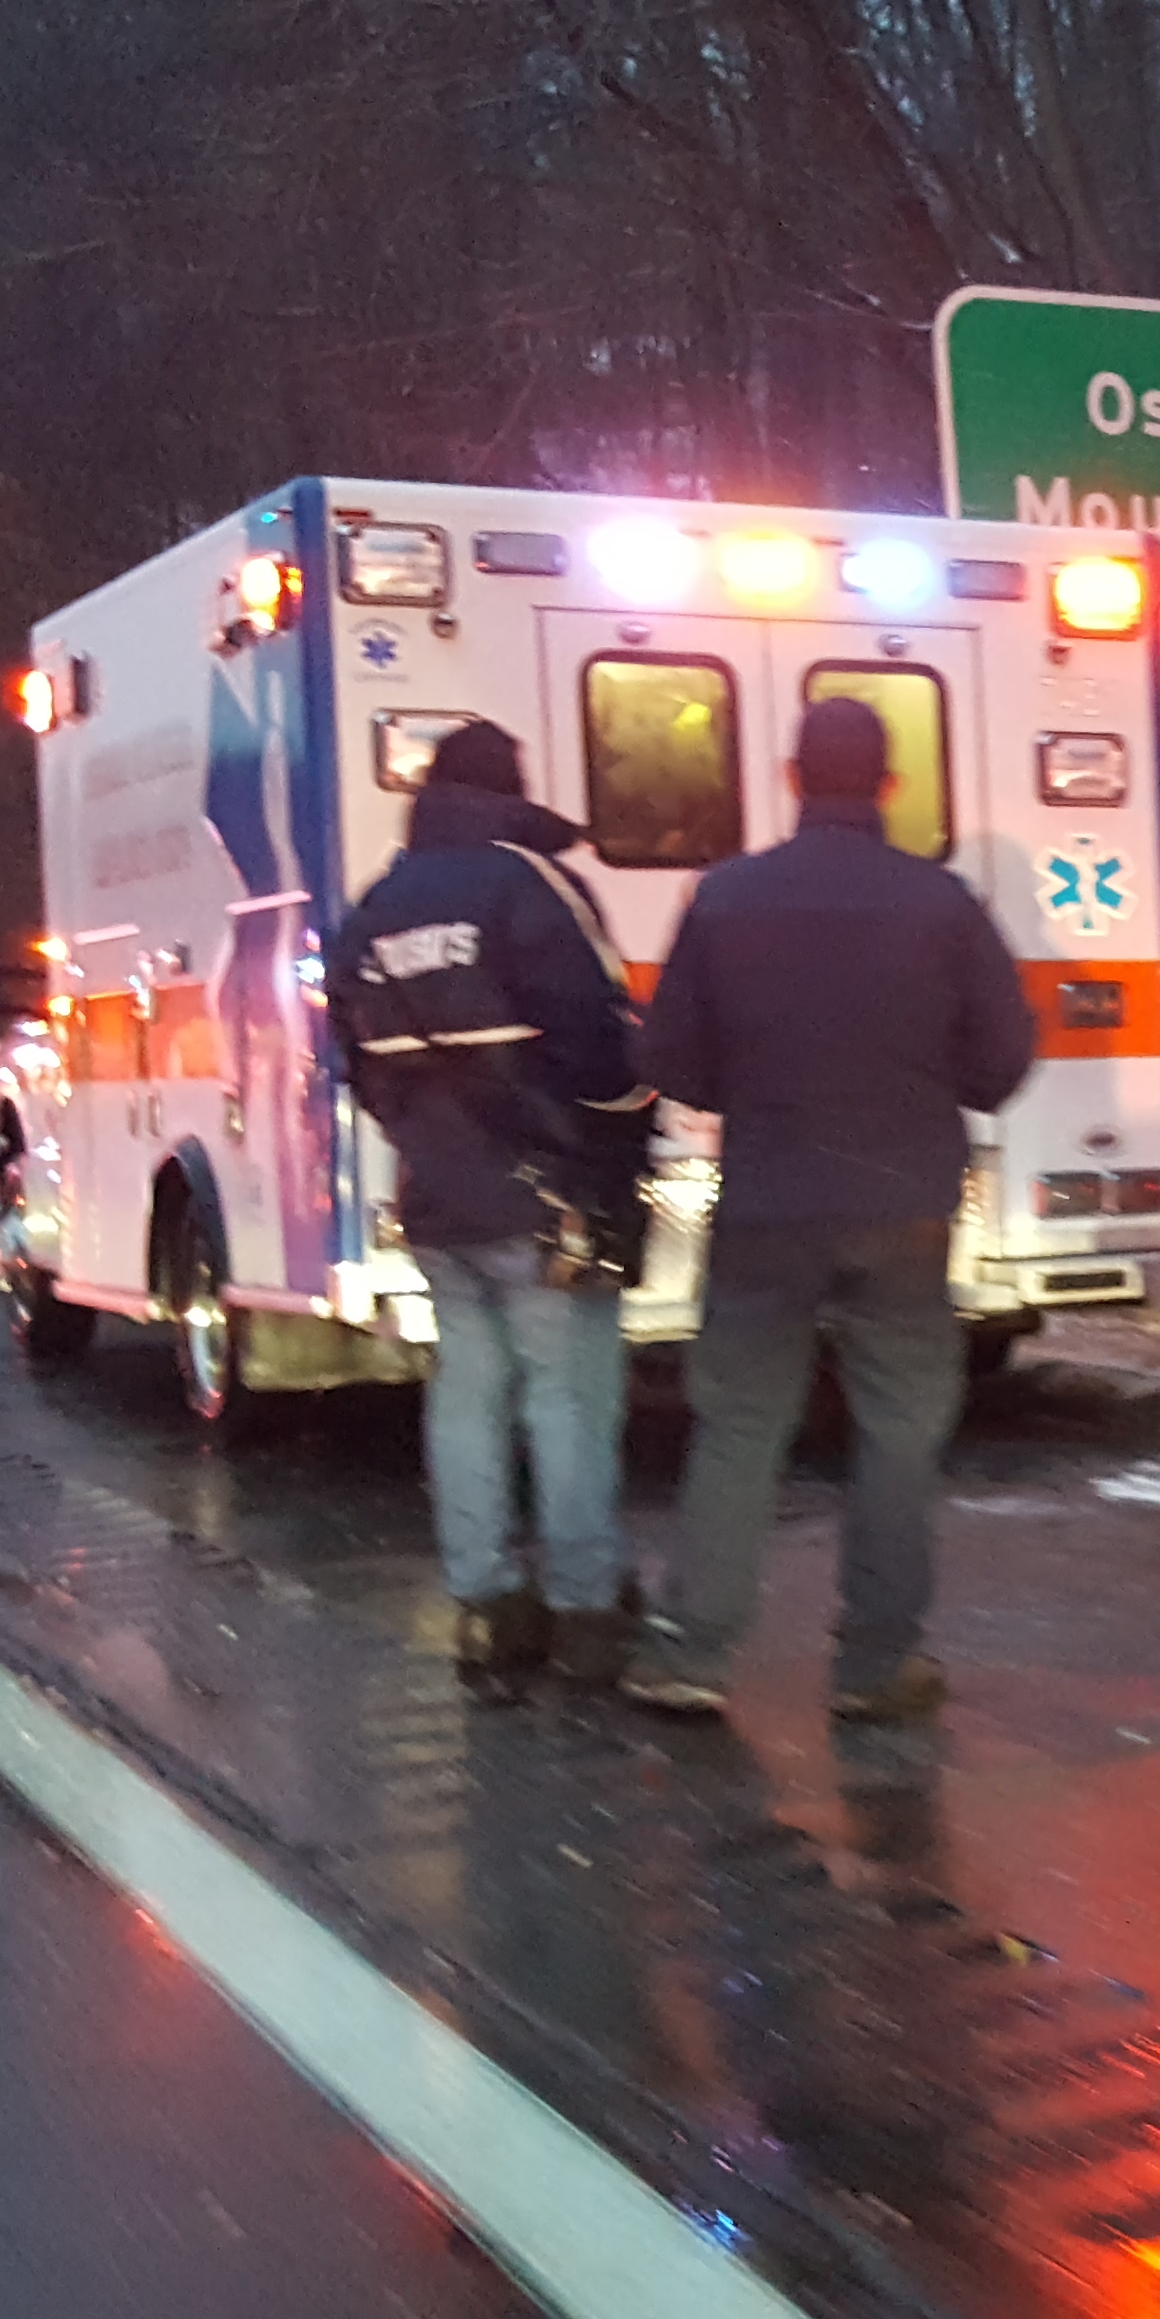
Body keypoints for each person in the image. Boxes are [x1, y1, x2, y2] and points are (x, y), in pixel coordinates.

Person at [620, 693, 1038, 1722]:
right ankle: (874, 1662)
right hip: (903, 1208)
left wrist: (752, 1087)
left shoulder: (724, 897)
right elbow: (1001, 1061)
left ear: (791, 778)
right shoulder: (942, 905)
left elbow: (668, 1058)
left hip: (768, 1204)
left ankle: (693, 1650)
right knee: (896, 1433)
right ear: (888, 787)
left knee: (739, 1425)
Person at [336, 722, 657, 1698]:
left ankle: (484, 1604)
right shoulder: (530, 887)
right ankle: (584, 1608)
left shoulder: (374, 908)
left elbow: (361, 1070)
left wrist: (434, 1144)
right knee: (568, 1400)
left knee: (467, 1398)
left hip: (439, 1201)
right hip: (547, 1198)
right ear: (510, 793)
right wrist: (621, 1133)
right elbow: (599, 1047)